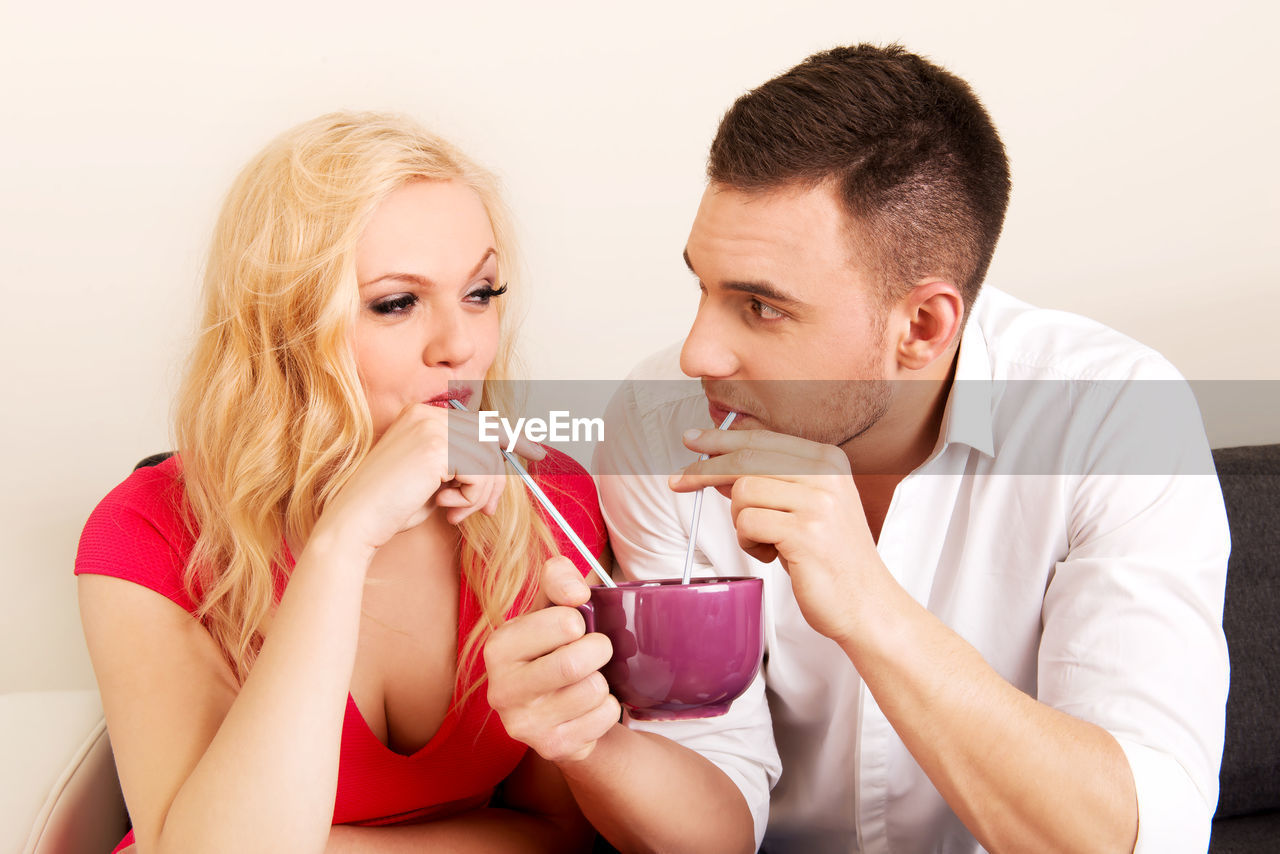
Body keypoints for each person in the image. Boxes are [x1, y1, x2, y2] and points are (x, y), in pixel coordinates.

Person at [483, 45, 1230, 853]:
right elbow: (715, 820)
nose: (700, 352)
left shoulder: (1114, 419)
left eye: (762, 307)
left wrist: (869, 604)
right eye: (705, 285)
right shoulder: (664, 418)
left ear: (923, 328)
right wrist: (593, 744)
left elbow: (1144, 834)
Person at [75, 112, 607, 853]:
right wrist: (343, 541)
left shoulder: (553, 501)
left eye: (480, 292)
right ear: (282, 328)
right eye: (396, 302)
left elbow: (562, 836)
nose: (462, 344)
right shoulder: (148, 532)